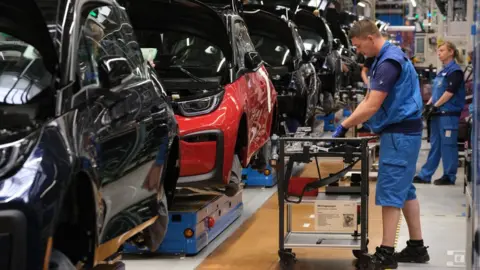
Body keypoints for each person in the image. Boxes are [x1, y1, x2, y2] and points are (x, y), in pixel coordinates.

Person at [332, 19, 429, 269]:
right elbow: (369, 99)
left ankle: (386, 253)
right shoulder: (385, 58)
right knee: (405, 191)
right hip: (402, 133)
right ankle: (417, 247)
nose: (359, 52)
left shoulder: (388, 62)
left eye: (359, 46)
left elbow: (372, 104)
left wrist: (344, 127)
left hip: (400, 136)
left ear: (371, 38)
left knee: (389, 194)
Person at [414, 41, 466, 185]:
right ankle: (425, 175)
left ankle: (449, 176)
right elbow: (438, 93)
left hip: (448, 115)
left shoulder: (455, 71)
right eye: (438, 50)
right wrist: (429, 104)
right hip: (437, 114)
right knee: (435, 146)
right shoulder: (442, 71)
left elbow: (449, 92)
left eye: (442, 50)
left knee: (448, 146)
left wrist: (435, 106)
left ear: (451, 52)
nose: (439, 53)